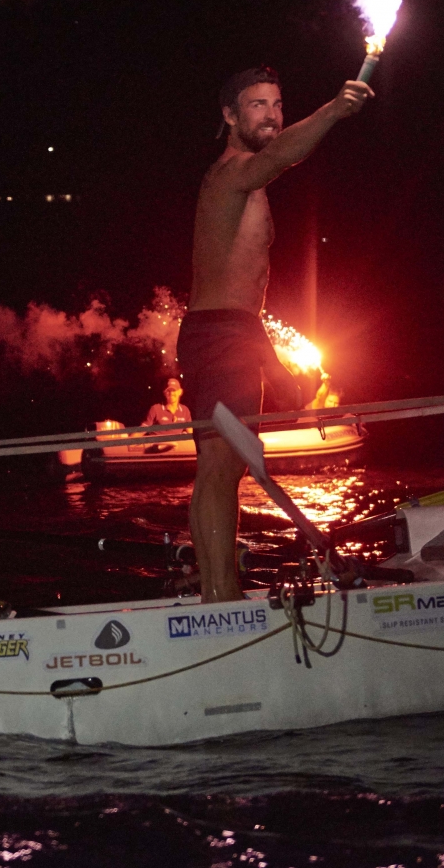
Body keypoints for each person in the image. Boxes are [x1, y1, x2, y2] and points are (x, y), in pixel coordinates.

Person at [182, 66, 371, 602]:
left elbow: (238, 302)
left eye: (277, 104)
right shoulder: (233, 172)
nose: (271, 114)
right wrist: (334, 110)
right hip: (218, 336)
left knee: (231, 464)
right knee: (220, 465)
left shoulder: (249, 182)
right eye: (257, 105)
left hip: (230, 332)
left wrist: (268, 357)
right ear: (229, 116)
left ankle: (222, 591)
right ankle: (218, 601)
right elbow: (279, 155)